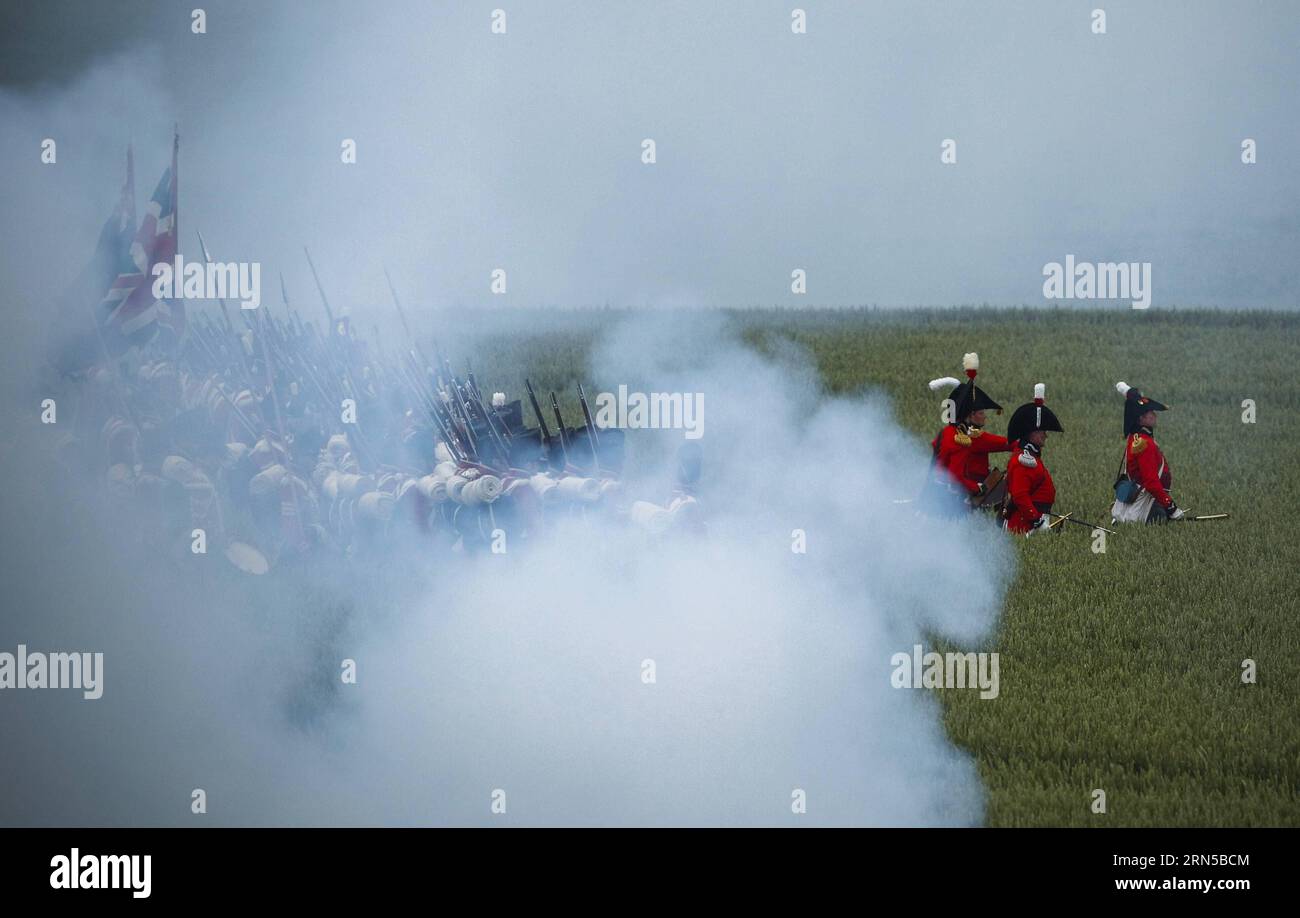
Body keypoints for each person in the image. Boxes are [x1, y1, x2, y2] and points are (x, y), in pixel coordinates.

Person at [926, 352, 1010, 508]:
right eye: (981, 412)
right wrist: (977, 487)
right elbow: (955, 477)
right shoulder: (966, 438)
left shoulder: (947, 432)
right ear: (971, 415)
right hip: (952, 498)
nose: (985, 416)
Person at [1111, 382, 1184, 523]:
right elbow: (1151, 482)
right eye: (1149, 412)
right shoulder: (1144, 444)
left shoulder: (1136, 436)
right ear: (1140, 419)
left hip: (1146, 494)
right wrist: (1171, 507)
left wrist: (1126, 390)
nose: (1154, 415)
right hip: (1150, 501)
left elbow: (1134, 400)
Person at [1001, 384, 1064, 535]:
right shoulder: (1024, 461)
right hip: (1025, 525)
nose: (1045, 435)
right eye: (1042, 431)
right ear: (1031, 433)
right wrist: (1036, 520)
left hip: (1034, 520)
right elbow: (1020, 495)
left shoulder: (1031, 456)